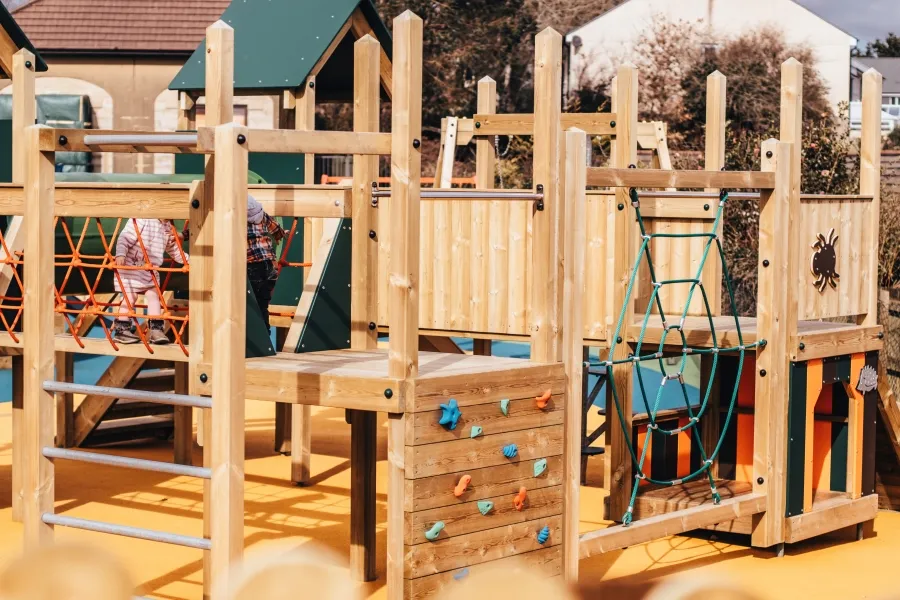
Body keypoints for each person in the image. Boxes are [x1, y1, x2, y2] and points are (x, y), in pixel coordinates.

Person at [112, 219, 188, 345]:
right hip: (131, 267)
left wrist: (188, 260)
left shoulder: (167, 227)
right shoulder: (142, 219)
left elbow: (174, 250)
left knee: (154, 296)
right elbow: (124, 238)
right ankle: (122, 330)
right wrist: (121, 254)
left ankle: (156, 330)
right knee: (130, 296)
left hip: (149, 270)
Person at [246, 195, 285, 333]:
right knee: (263, 303)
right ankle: (265, 333)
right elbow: (276, 229)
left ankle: (256, 335)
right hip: (269, 265)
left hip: (251, 265)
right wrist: (280, 235)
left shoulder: (237, 218)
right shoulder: (262, 215)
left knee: (250, 302)